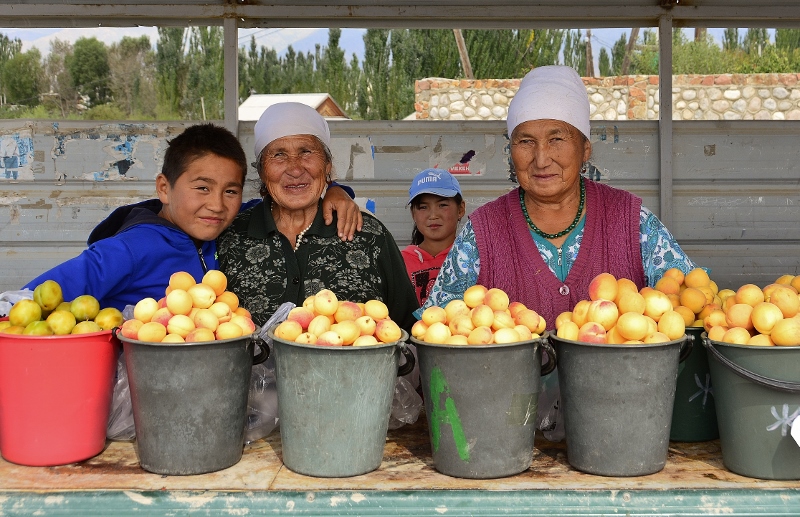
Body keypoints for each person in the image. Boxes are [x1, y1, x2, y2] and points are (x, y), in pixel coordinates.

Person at [420, 65, 699, 330]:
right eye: (526, 141)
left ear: (585, 148)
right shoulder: (482, 233)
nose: (541, 160)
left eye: (557, 139)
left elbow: (693, 305)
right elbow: (436, 330)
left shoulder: (633, 223)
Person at [22, 123, 362, 310]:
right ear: (165, 188)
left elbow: (287, 198)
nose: (216, 205)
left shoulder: (226, 223)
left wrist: (335, 192)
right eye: (202, 188)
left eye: (230, 191)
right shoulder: (129, 249)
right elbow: (33, 298)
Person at [217, 102, 419, 331]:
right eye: (279, 155)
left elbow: (409, 332)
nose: (294, 169)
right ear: (262, 171)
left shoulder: (369, 236)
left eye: (306, 152)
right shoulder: (230, 238)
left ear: (327, 166)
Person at [402, 168, 465, 306]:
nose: (433, 215)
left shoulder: (471, 259)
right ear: (413, 214)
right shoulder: (401, 262)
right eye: (423, 207)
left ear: (460, 209)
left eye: (442, 205)